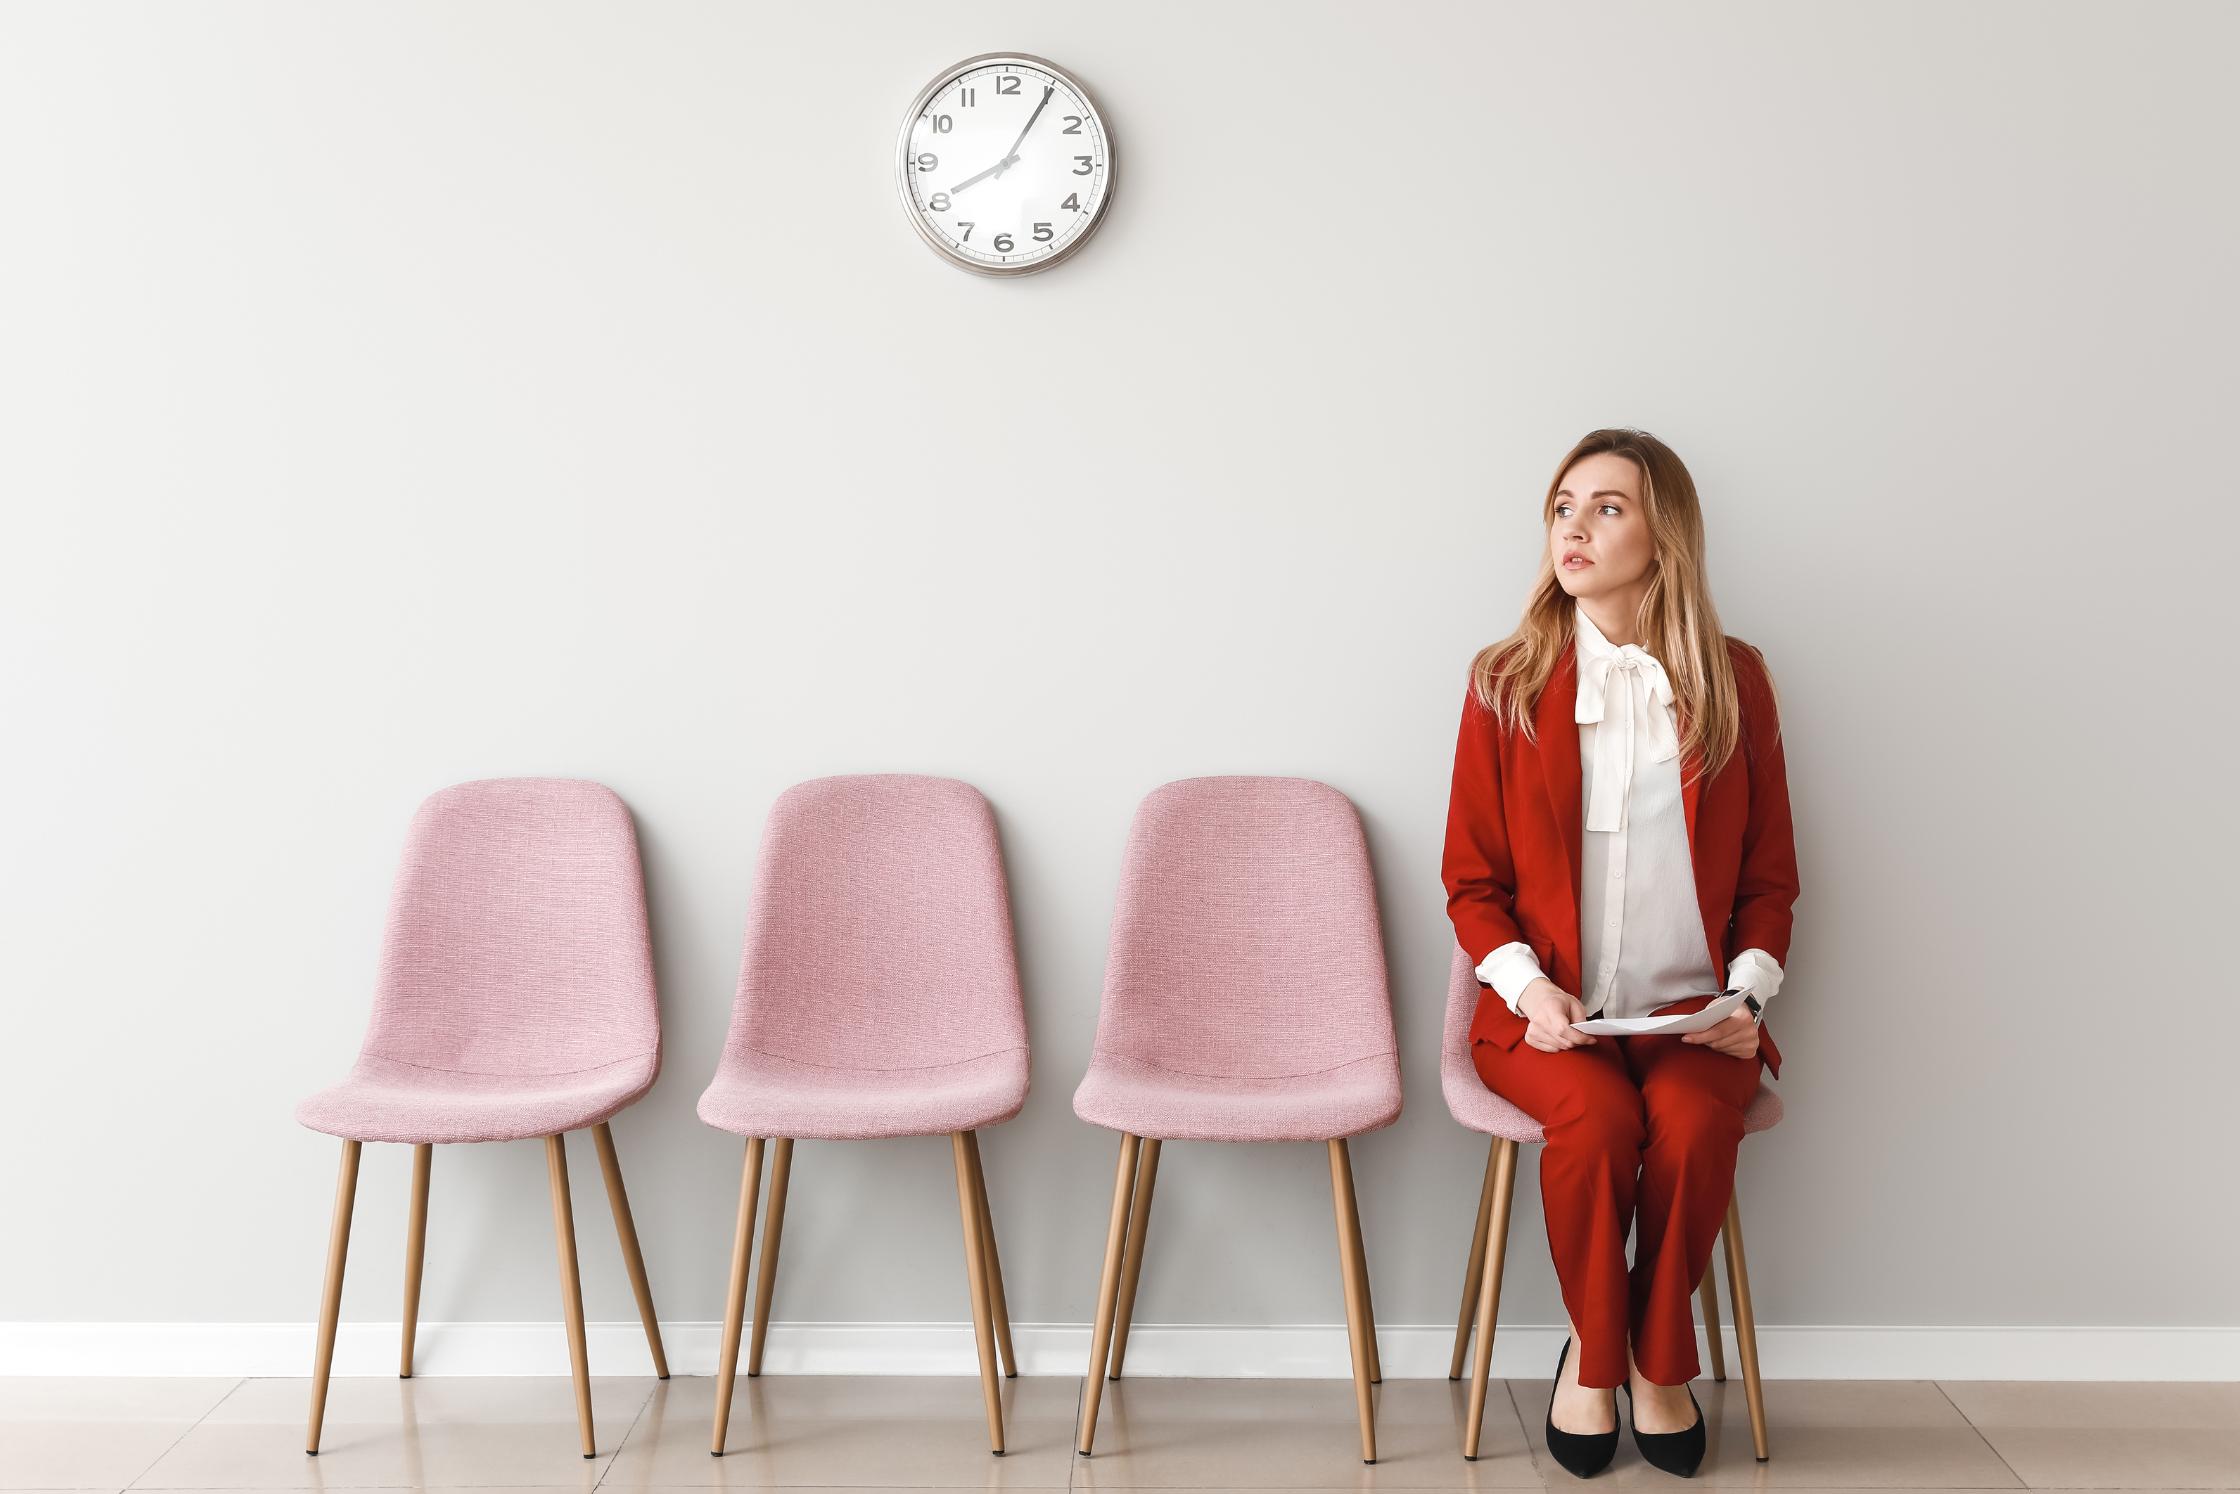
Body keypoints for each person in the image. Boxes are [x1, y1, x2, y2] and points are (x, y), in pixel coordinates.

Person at [1441, 427, 1800, 1478]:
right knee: (1593, 1130)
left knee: (1690, 1127)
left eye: (1607, 506)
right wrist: (1525, 987)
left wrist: (1746, 995)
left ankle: (1643, 1359)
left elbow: (1769, 879)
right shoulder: (1503, 682)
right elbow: (1471, 883)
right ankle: (1611, 1366)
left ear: (1664, 534)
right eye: (1562, 506)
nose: (1575, 527)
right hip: (1546, 1017)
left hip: (1694, 1017)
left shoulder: (1737, 683)